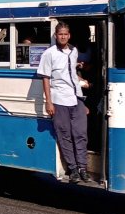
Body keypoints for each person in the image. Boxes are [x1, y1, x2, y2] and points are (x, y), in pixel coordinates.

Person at [37, 22, 91, 183]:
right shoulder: (49, 53)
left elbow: (71, 74)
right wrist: (49, 102)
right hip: (59, 99)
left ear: (69, 35)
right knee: (65, 135)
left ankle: (83, 167)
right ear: (55, 35)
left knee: (81, 134)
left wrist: (82, 87)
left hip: (76, 98)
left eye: (65, 34)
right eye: (60, 34)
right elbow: (45, 78)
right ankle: (73, 169)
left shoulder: (73, 51)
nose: (63, 36)